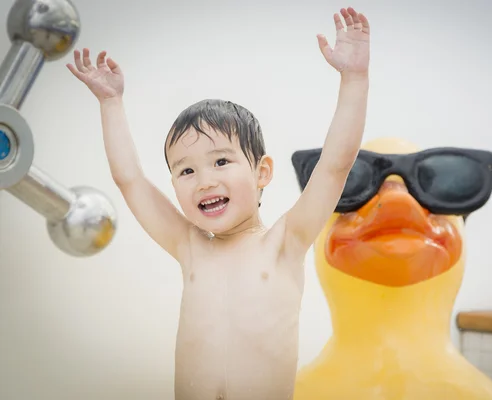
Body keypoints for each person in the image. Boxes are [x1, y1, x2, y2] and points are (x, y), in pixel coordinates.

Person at [67, 6, 370, 400]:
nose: (205, 181)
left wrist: (355, 78)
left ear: (262, 173)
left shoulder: (284, 243)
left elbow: (334, 166)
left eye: (222, 161)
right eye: (186, 171)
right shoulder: (190, 246)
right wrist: (110, 104)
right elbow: (130, 180)